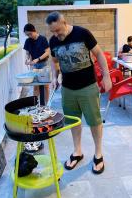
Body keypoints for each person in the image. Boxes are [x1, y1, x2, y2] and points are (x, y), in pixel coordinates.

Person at [45, 11, 112, 174]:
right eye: (52, 31)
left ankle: (98, 153)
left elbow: (99, 54)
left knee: (94, 121)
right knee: (73, 121)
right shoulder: (53, 40)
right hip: (68, 88)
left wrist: (106, 76)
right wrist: (55, 77)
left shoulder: (82, 33)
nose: (55, 34)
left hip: (88, 86)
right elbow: (54, 61)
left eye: (57, 30)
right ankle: (77, 151)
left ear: (64, 23)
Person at [23, 23, 50, 103]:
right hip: (34, 66)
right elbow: (27, 53)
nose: (29, 36)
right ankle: (36, 104)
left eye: (30, 34)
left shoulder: (42, 39)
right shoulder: (28, 41)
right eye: (27, 35)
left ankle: (46, 104)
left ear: (34, 31)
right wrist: (27, 59)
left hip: (44, 64)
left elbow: (47, 52)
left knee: (46, 86)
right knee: (35, 86)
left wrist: (38, 59)